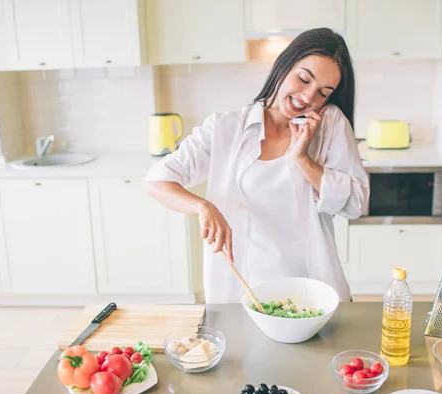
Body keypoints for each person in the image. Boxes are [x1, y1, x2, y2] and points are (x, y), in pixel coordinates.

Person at [146, 27, 369, 304]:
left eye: (323, 92)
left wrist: (302, 158)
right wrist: (203, 207)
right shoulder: (226, 128)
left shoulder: (330, 124)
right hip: (241, 289)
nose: (309, 97)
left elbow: (357, 203)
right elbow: (157, 181)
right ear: (284, 65)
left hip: (312, 288)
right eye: (303, 79)